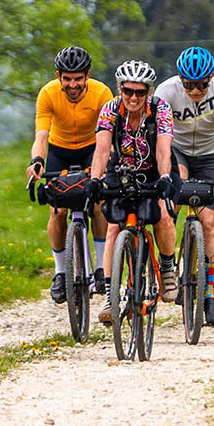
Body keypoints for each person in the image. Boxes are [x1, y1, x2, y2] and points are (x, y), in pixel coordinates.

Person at [155, 44, 214, 327]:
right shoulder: (165, 92)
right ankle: (172, 266)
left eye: (201, 85)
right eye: (189, 86)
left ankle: (210, 294)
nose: (194, 92)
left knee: (208, 221)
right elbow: (157, 136)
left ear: (211, 77)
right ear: (180, 80)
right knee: (171, 206)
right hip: (177, 151)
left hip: (209, 156)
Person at [88, 58, 175, 321]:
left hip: (153, 170)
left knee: (162, 213)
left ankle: (168, 270)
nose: (133, 97)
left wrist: (165, 176)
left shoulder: (161, 110)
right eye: (128, 91)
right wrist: (95, 178)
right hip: (121, 170)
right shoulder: (110, 110)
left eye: (140, 92)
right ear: (120, 90)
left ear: (149, 91)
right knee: (115, 225)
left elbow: (163, 148)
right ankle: (110, 297)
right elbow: (102, 149)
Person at [27, 44, 113, 305]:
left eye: (78, 79)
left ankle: (100, 268)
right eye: (67, 79)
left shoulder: (101, 93)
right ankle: (61, 272)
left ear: (87, 76)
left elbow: (107, 135)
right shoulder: (48, 94)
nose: (73, 85)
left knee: (97, 203)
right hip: (59, 150)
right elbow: (41, 134)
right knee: (57, 211)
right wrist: (37, 161)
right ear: (58, 76)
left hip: (91, 149)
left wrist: (106, 161)